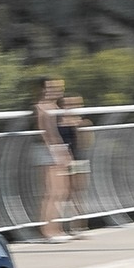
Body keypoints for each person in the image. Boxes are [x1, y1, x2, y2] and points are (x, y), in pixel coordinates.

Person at [31, 75, 71, 242]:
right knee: (51, 192)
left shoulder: (55, 106)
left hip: (58, 149)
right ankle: (47, 230)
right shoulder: (41, 107)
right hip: (47, 150)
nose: (52, 90)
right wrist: (56, 151)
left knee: (61, 191)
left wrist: (63, 150)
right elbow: (45, 132)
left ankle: (56, 228)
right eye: (48, 87)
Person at [57, 93, 92, 236]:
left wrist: (79, 128)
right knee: (63, 193)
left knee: (78, 193)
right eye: (67, 104)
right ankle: (63, 227)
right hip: (63, 160)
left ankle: (79, 227)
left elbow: (86, 143)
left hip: (79, 158)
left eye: (75, 104)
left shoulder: (83, 122)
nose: (71, 107)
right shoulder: (57, 123)